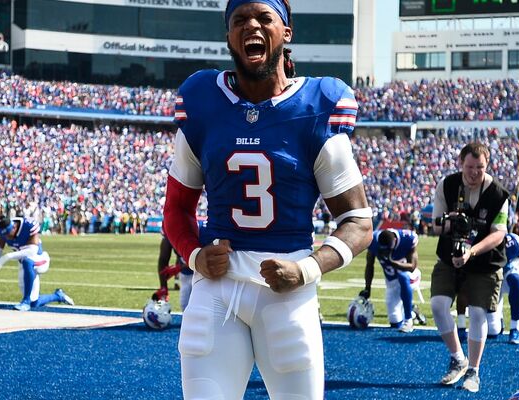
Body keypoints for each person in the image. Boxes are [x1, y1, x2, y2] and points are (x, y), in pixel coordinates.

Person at [162, 1, 373, 398]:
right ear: (228, 36)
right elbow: (176, 209)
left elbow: (359, 221)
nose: (251, 26)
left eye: (263, 17)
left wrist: (307, 270)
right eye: (239, 20)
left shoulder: (317, 105)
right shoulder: (202, 99)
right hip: (217, 288)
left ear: (286, 32)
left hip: (287, 291)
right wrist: (194, 256)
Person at [429, 142, 509, 393]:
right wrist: (453, 223)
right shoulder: (448, 185)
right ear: (461, 163)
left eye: (480, 167)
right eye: (469, 166)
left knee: (477, 312)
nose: (474, 172)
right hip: (450, 255)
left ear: (488, 165)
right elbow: (436, 227)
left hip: (485, 260)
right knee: (438, 305)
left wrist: (471, 250)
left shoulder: (498, 193)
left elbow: (499, 234)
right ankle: (457, 358)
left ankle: (473, 370)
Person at [0, 217, 74, 311]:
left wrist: (8, 256)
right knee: (34, 302)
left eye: (7, 233)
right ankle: (58, 296)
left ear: (14, 227)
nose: (6, 237)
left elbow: (32, 251)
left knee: (27, 261)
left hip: (40, 260)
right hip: (24, 265)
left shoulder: (27, 226)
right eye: (3, 235)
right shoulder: (5, 232)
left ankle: (25, 301)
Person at [359, 228, 427, 333]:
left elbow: (412, 266)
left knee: (403, 276)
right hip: (391, 281)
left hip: (411, 277)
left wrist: (392, 262)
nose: (387, 252)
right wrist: (367, 288)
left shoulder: (407, 238)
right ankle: (412, 311)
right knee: (395, 322)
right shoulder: (373, 240)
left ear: (395, 240)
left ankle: (408, 320)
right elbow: (369, 265)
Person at [486, 232, 519, 345]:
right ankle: (499, 319)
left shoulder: (511, 241)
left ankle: (515, 328)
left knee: (515, 279)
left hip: (506, 273)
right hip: (489, 277)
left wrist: (516, 262)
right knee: (492, 331)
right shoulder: (482, 241)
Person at [153, 231, 194, 312]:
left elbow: (208, 257)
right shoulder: (170, 227)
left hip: (206, 275)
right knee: (185, 306)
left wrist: (180, 267)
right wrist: (163, 287)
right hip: (185, 275)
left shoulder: (198, 227)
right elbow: (163, 258)